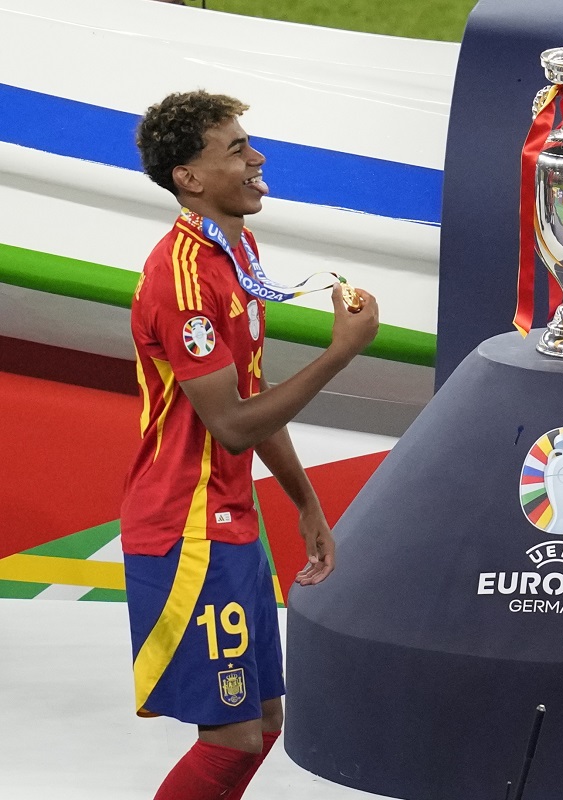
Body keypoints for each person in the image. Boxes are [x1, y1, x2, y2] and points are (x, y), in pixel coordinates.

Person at [122, 90, 379, 799]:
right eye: (235, 148)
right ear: (190, 177)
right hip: (187, 527)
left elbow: (252, 400)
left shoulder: (237, 249)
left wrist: (304, 503)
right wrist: (339, 355)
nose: (257, 157)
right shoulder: (180, 278)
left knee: (262, 724)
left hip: (230, 519)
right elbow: (231, 424)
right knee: (232, 736)